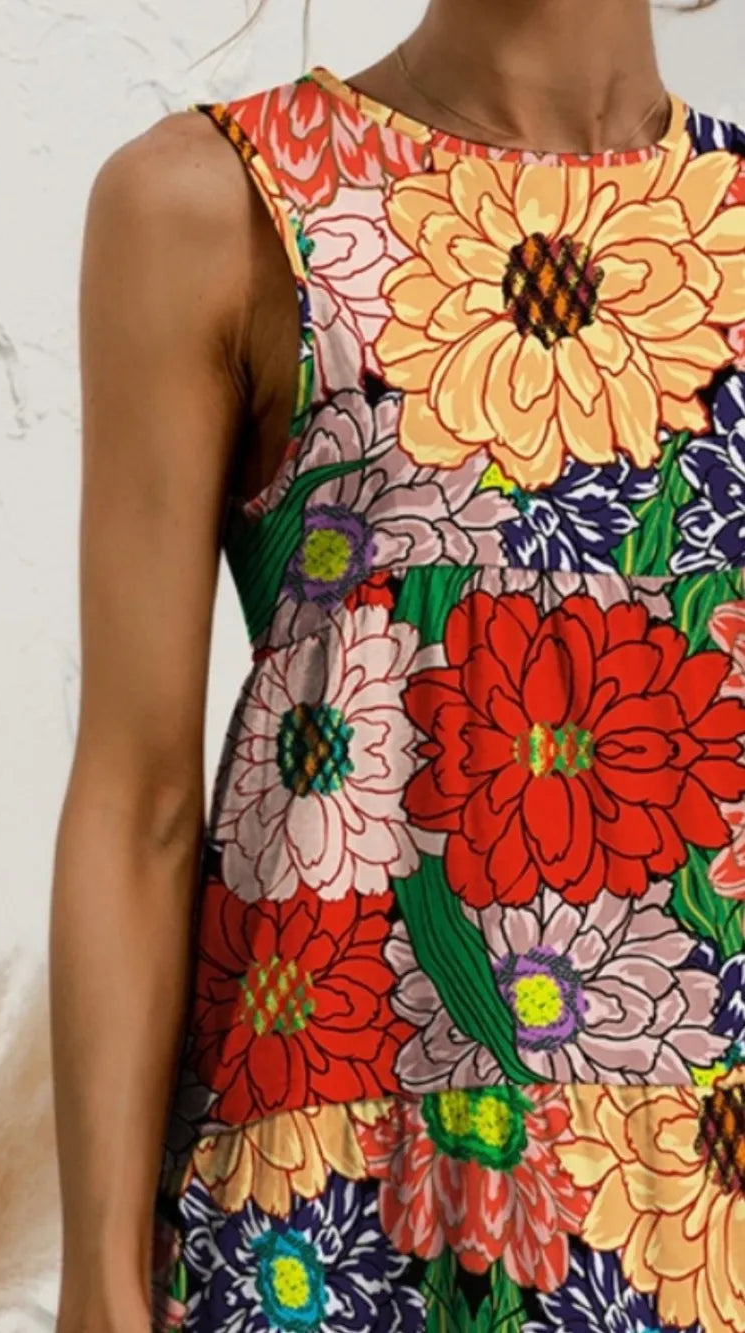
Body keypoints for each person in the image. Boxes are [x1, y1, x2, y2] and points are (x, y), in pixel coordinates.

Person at [50, 1, 745, 1330]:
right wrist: (99, 1283)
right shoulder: (215, 208)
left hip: (708, 1198)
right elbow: (138, 799)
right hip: (335, 1218)